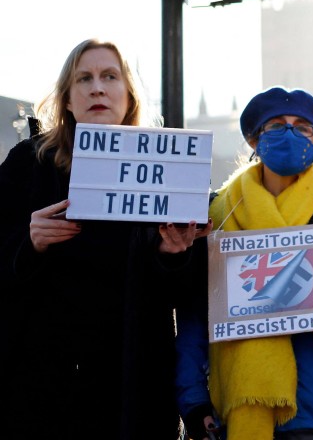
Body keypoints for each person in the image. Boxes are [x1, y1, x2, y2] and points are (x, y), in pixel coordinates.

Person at [0, 38, 204, 439]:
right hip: (39, 393)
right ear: (67, 99)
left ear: (128, 95)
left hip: (133, 391)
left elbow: (192, 295)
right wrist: (30, 245)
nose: (97, 87)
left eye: (110, 76)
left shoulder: (170, 169)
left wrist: (173, 254)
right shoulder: (29, 163)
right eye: (84, 78)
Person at [176, 87, 313, 440]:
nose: (290, 133)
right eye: (276, 125)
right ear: (254, 141)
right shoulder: (215, 217)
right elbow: (194, 316)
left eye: (303, 127)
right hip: (232, 410)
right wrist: (194, 401)